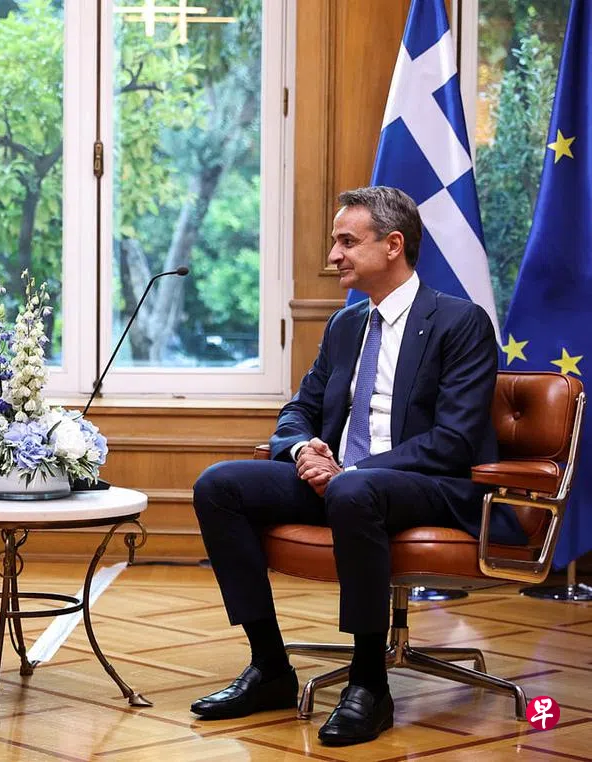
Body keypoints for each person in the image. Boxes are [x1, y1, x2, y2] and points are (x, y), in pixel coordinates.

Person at [189, 186, 525, 746]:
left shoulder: (459, 322)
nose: (333, 255)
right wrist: (304, 449)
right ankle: (269, 667)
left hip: (429, 485)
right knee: (218, 485)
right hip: (344, 481)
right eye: (334, 242)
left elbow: (453, 441)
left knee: (354, 491)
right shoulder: (346, 326)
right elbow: (299, 408)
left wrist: (349, 474)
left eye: (347, 241)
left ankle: (369, 683)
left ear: (392, 245)